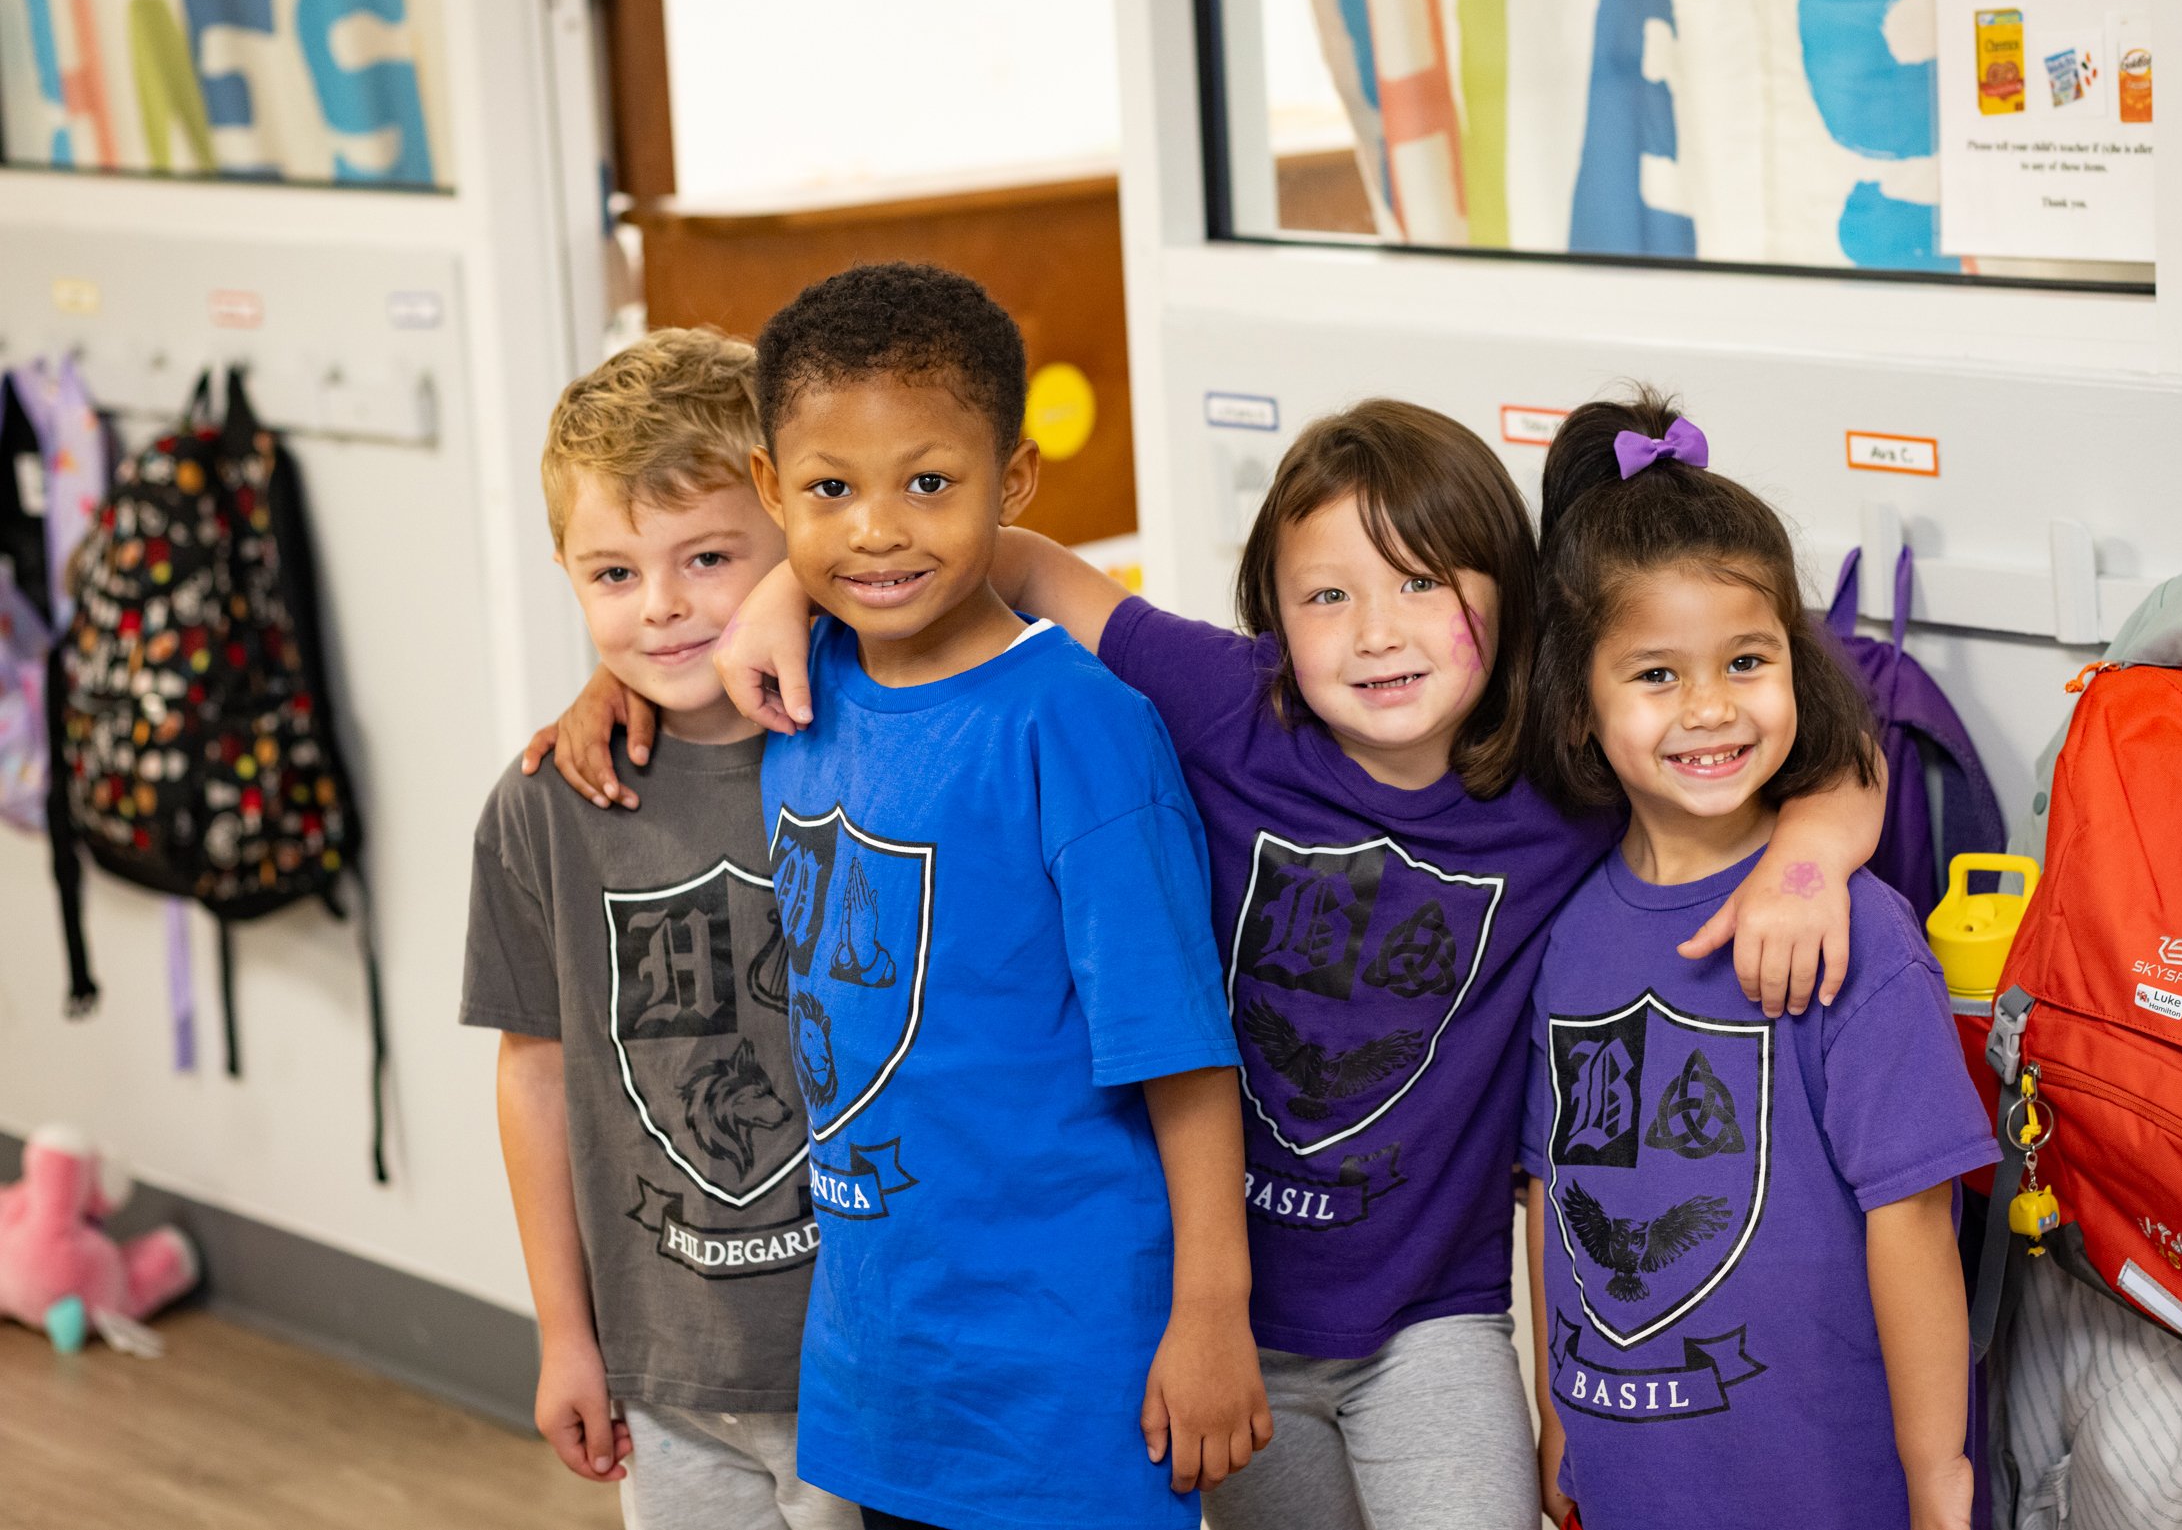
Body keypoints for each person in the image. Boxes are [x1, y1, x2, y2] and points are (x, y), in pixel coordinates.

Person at [647, 395, 1889, 1530]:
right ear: (1270, 615)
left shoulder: (1555, 775)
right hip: (1232, 1319)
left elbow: (1827, 749)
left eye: (1419, 584)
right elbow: (1007, 559)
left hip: (1434, 1317)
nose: (1377, 634)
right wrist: (783, 597)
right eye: (1326, 597)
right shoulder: (1223, 701)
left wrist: (1805, 862)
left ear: (1507, 601)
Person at [736, 262, 1267, 1530]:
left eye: (930, 482)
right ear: (772, 490)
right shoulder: (794, 683)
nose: (877, 528)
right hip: (886, 1358)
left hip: (1068, 1367)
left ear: (1013, 482)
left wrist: (1211, 1311)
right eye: (829, 489)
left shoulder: (1078, 727)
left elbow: (1182, 1051)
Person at [1518, 392, 1996, 1530]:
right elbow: (1551, 1189)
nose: (1710, 707)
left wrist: (1942, 1482)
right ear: (1578, 705)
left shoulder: (1858, 933)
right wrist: (1555, 1420)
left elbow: (1916, 1224)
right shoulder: (1569, 929)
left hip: (1827, 1489)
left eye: (1745, 659)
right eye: (1655, 674)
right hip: (1630, 1484)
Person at [461, 329, 857, 1528]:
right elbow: (535, 1073)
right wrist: (565, 1335)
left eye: (710, 557)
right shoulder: (544, 806)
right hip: (666, 1368)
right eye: (615, 573)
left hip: (870, 1361)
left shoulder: (884, 729)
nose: (666, 606)